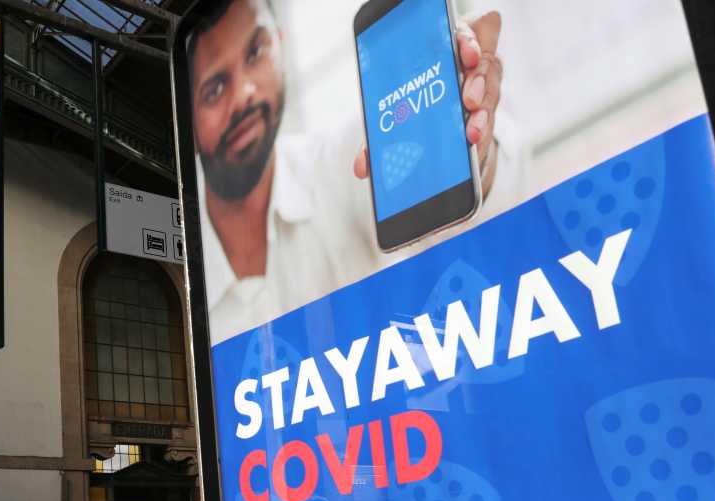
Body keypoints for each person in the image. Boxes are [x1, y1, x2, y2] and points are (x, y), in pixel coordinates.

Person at [187, 0, 518, 343]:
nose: (244, 94)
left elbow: (474, 231)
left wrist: (470, 150)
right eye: (214, 89)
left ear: (280, 43)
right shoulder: (177, 269)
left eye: (255, 51)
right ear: (186, 126)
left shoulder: (345, 163)